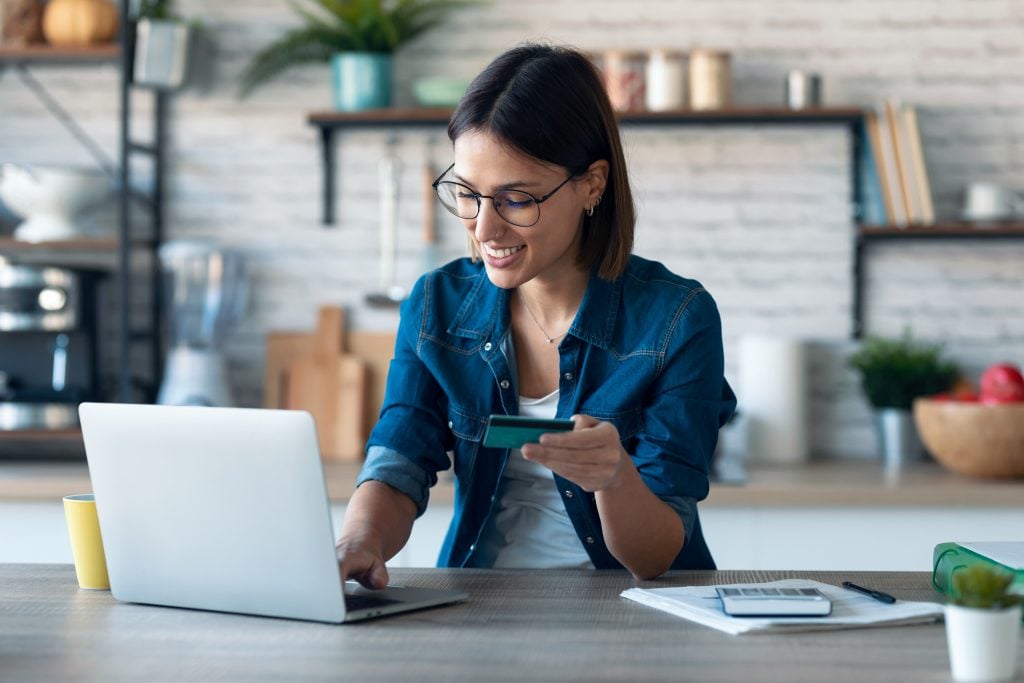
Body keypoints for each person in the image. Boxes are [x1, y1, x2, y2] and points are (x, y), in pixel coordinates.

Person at [336, 43, 736, 588]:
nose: (483, 228)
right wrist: (357, 543)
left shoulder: (677, 319)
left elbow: (655, 557)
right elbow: (400, 458)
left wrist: (615, 477)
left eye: (516, 199)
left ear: (592, 183)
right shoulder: (436, 304)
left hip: (634, 616)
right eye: (468, 194)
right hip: (479, 603)